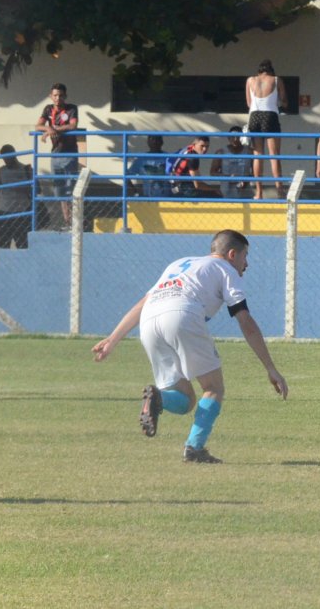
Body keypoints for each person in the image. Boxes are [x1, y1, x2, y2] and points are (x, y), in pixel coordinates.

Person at [92, 229, 288, 463]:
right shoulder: (226, 269)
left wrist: (112, 339)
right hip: (182, 315)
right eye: (246, 256)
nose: (247, 264)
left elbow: (144, 303)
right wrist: (270, 367)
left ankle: (158, 399)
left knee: (185, 399)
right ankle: (194, 448)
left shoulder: (180, 263)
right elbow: (246, 321)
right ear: (232, 254)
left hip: (149, 322)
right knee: (214, 388)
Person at [36, 83, 80, 229]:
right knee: (60, 192)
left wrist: (53, 129)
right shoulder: (48, 109)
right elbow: (37, 126)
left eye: (60, 95)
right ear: (50, 96)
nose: (57, 98)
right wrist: (48, 128)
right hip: (55, 155)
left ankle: (75, 223)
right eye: (55, 95)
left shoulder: (71, 108)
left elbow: (73, 126)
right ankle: (68, 223)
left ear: (65, 96)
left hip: (70, 153)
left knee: (72, 190)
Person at [246, 60, 287, 199]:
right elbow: (284, 101)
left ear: (259, 71)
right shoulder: (276, 80)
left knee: (258, 155)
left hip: (254, 116)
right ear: (271, 71)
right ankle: (280, 191)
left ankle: (259, 192)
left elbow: (248, 103)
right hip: (270, 115)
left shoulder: (250, 80)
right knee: (274, 155)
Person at [0, 144, 33, 250]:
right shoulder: (1, 170)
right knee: (2, 246)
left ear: (14, 154)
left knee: (23, 246)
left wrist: (23, 186)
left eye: (7, 156)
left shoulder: (26, 169)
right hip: (4, 212)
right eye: (3, 157)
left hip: (22, 213)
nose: (5, 159)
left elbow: (36, 191)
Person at [209, 129, 254, 200]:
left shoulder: (249, 152)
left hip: (245, 192)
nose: (235, 139)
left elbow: (256, 173)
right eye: (232, 137)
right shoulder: (221, 152)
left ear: (242, 137)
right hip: (226, 192)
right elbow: (212, 172)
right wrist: (228, 177)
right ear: (228, 138)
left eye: (238, 137)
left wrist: (246, 179)